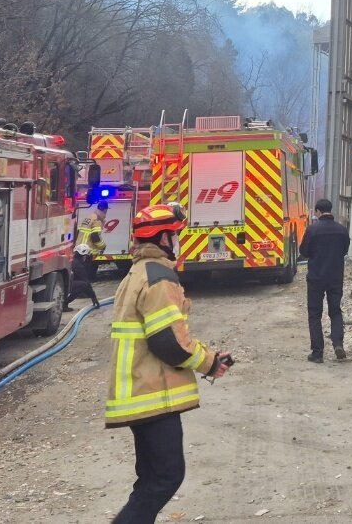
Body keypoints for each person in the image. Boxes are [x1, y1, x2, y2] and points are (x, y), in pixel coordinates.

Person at [105, 203, 234, 524]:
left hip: (138, 392)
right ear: (163, 238)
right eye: (174, 235)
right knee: (166, 477)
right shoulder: (159, 277)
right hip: (152, 395)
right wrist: (209, 362)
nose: (177, 241)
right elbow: (168, 341)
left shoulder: (137, 272)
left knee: (150, 481)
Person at [299, 198, 350, 362]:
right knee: (335, 311)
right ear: (330, 210)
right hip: (335, 277)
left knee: (314, 314)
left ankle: (317, 353)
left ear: (318, 212)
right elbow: (344, 250)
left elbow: (304, 251)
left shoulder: (312, 230)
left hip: (316, 278)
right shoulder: (342, 230)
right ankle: (338, 344)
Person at [65, 242, 100, 309]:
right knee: (83, 285)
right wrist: (93, 297)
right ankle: (65, 304)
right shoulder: (78, 265)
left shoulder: (72, 260)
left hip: (65, 284)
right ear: (84, 256)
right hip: (67, 285)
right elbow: (86, 282)